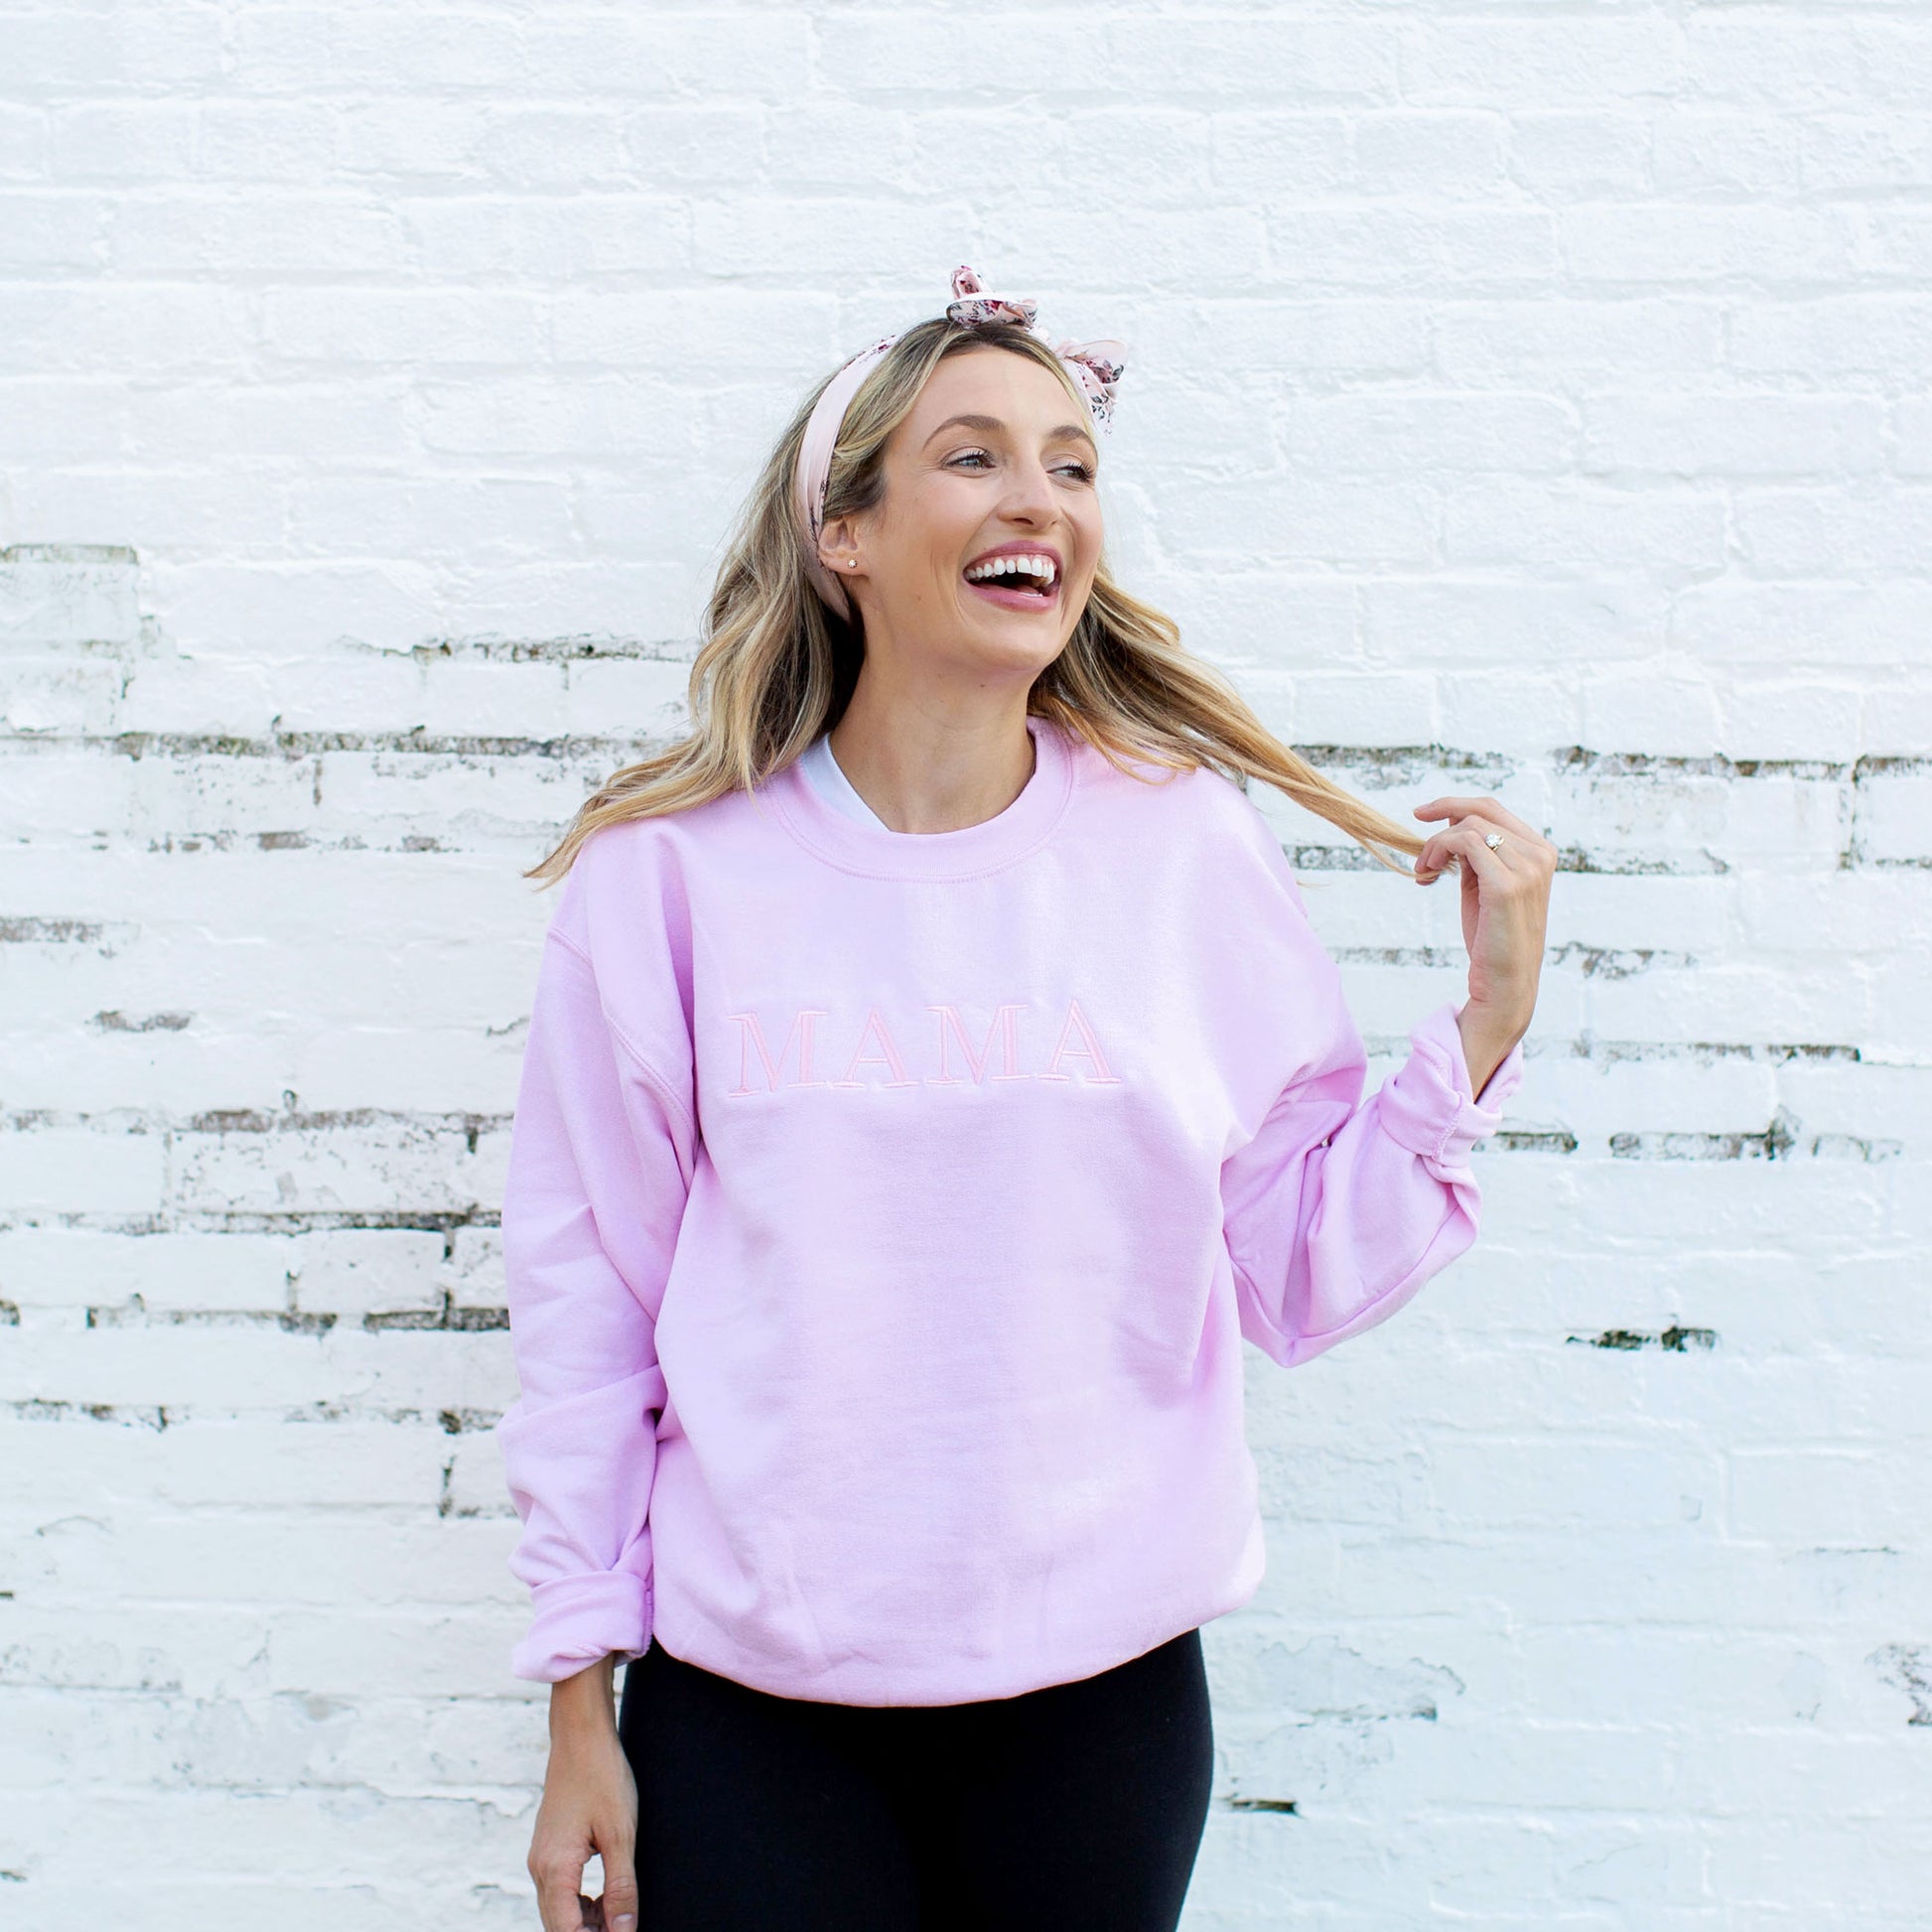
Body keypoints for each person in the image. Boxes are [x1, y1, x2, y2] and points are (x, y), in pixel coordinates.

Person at [496, 265, 1557, 1932]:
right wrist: (576, 1702)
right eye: (974, 455)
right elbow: (586, 1307)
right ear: (841, 529)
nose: (1038, 501)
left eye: (1070, 462)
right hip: (751, 1710)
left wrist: (1478, 1033)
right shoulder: (667, 884)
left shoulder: (1179, 843)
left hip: (1099, 1701)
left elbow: (1284, 1270)